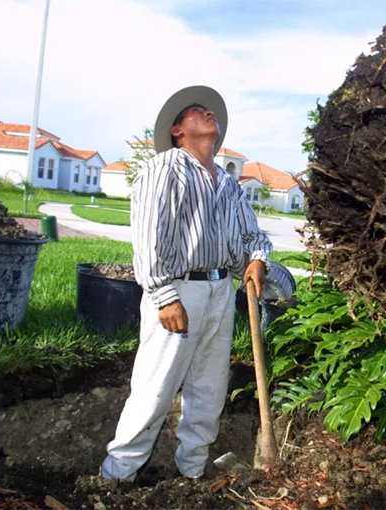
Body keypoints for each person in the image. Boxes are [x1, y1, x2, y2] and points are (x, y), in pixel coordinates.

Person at [100, 85, 272, 482]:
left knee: (209, 389)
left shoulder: (229, 184)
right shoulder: (165, 168)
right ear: (178, 130)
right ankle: (118, 475)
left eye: (210, 111)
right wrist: (163, 296)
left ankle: (192, 470)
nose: (209, 113)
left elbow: (253, 235)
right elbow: (149, 235)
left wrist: (258, 259)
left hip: (220, 292)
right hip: (181, 290)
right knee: (156, 386)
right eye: (198, 111)